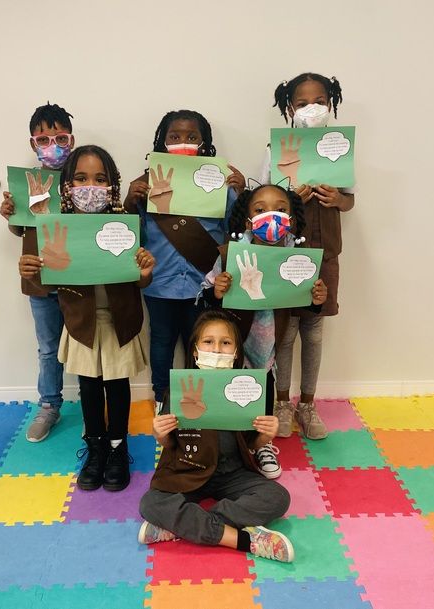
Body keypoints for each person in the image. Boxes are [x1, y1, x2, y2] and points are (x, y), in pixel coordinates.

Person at [19, 145, 155, 491]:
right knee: (90, 386)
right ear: (66, 185)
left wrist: (145, 273)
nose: (90, 187)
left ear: (112, 185)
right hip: (81, 323)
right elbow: (49, 282)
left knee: (117, 384)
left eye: (99, 179)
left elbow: (139, 279)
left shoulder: (126, 223)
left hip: (120, 321)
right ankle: (95, 448)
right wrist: (33, 271)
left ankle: (118, 446)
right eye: (80, 178)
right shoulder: (58, 227)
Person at [138, 309, 294, 563]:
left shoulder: (246, 389)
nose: (217, 349)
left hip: (232, 473)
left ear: (236, 352)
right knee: (150, 503)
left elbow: (250, 443)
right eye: (208, 341)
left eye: (226, 343)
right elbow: (170, 442)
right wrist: (160, 435)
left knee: (278, 497)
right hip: (188, 471)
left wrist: (265, 437)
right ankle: (242, 539)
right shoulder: (179, 390)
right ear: (195, 350)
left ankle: (181, 526)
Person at [201, 184, 327, 477]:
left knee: (262, 392)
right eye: (260, 210)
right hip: (232, 342)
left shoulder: (297, 258)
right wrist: (216, 291)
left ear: (291, 219)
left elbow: (305, 300)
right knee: (227, 393)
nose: (271, 215)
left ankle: (262, 445)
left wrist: (317, 300)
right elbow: (207, 297)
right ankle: (222, 446)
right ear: (248, 221)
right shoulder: (230, 254)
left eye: (280, 209)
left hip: (268, 345)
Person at [124, 110, 245, 413]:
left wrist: (240, 193)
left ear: (204, 143)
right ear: (162, 142)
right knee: (161, 341)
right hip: (160, 282)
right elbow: (130, 235)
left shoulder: (219, 185)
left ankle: (199, 399)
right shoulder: (147, 185)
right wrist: (130, 202)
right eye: (174, 136)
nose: (183, 142)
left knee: (203, 343)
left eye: (192, 137)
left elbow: (236, 230)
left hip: (203, 284)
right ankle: (162, 397)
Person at [259, 73, 354, 440]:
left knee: (313, 332)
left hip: (325, 254)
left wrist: (338, 199)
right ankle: (283, 402)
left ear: (331, 105)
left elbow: (350, 199)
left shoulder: (339, 148)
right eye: (302, 103)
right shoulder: (275, 149)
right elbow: (261, 200)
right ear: (290, 108)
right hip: (285, 254)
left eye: (319, 102)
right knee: (284, 333)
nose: (311, 109)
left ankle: (308, 404)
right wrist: (288, 198)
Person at [0, 102, 75, 442]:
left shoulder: (83, 178)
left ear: (71, 140)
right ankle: (49, 406)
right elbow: (21, 229)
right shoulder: (27, 183)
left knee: (88, 344)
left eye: (60, 138)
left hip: (78, 278)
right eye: (43, 140)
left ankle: (95, 403)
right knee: (47, 348)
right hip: (40, 279)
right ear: (33, 144)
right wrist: (11, 213)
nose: (52, 145)